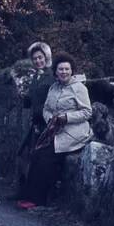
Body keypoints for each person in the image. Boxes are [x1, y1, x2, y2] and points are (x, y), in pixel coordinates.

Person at [17, 52, 92, 209]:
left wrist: (66, 117)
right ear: (56, 72)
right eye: (60, 69)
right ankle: (28, 195)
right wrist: (50, 119)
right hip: (54, 130)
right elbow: (46, 108)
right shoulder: (54, 87)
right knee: (36, 154)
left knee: (46, 156)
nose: (64, 72)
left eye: (67, 69)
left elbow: (87, 113)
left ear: (72, 71)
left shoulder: (79, 88)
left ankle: (39, 200)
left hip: (74, 132)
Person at [16, 42, 52, 189]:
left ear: (46, 57)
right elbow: (30, 99)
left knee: (38, 158)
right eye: (35, 59)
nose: (38, 61)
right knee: (23, 154)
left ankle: (33, 194)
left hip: (46, 123)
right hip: (35, 122)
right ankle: (23, 191)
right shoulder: (36, 77)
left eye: (40, 58)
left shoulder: (52, 76)